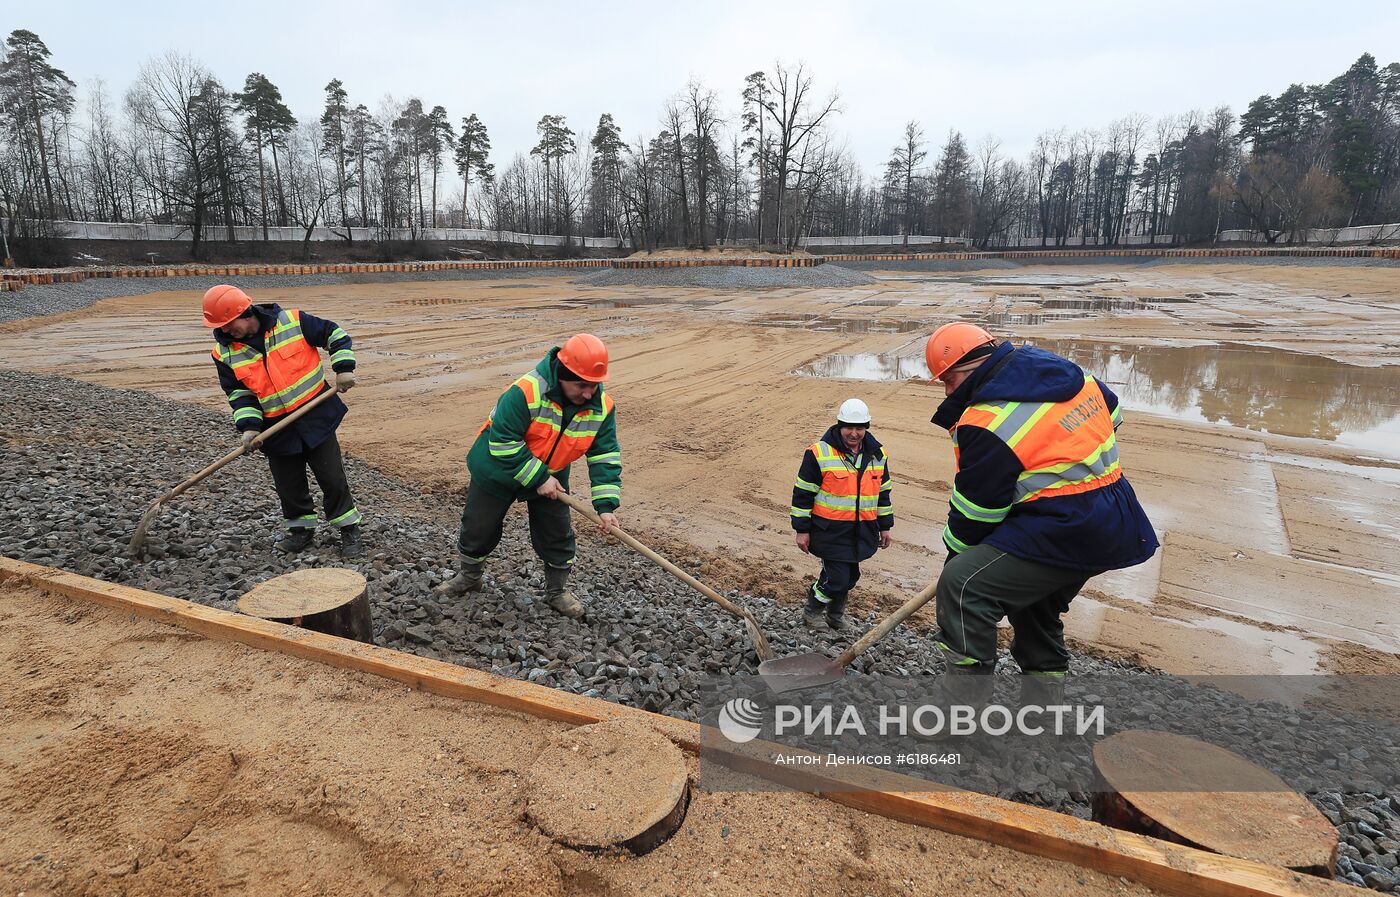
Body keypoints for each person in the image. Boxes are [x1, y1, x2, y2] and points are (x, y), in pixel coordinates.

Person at [925, 322, 1158, 678]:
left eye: (948, 380)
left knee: (962, 586)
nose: (946, 392)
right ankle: (1045, 716)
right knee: (1033, 606)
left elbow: (975, 516)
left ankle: (961, 722)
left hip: (1064, 528)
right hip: (1115, 517)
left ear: (968, 370)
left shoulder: (985, 421)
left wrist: (957, 564)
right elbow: (1113, 416)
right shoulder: (1068, 373)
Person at [436, 334, 621, 618]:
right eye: (581, 385)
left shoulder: (601, 407)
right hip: (498, 468)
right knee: (479, 527)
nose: (588, 393)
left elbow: (604, 455)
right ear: (562, 374)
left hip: (552, 475)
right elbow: (503, 442)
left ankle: (557, 591)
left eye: (593, 385)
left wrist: (606, 507)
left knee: (557, 532)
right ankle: (470, 578)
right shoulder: (525, 391)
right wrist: (539, 479)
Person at [204, 284, 364, 558]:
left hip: (315, 416)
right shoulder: (224, 353)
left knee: (332, 478)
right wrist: (250, 428)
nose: (226, 331)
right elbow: (239, 393)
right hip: (275, 429)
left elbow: (334, 334)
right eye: (222, 327)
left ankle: (349, 529)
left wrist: (344, 368)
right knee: (289, 486)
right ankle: (300, 531)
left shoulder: (293, 321)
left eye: (229, 325)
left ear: (245, 312)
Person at [790, 398, 893, 630]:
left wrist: (885, 526)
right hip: (830, 531)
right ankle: (812, 610)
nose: (854, 433)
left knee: (850, 578)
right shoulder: (819, 453)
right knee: (836, 578)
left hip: (862, 530)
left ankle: (835, 616)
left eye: (859, 428)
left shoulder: (878, 455)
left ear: (866, 427)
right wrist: (802, 530)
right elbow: (803, 494)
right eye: (849, 428)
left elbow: (883, 493)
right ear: (839, 425)